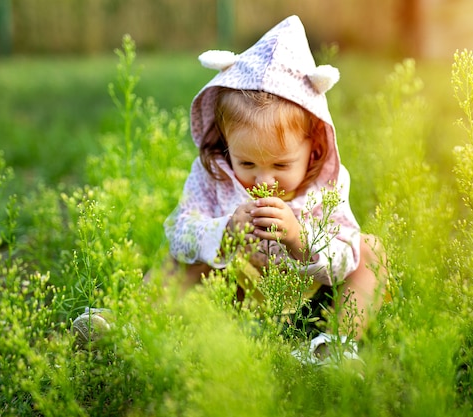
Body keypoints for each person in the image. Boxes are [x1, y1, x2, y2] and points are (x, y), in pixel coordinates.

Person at [163, 15, 387, 359]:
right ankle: (136, 322)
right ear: (225, 146)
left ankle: (335, 346)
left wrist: (300, 238)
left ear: (314, 150)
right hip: (233, 292)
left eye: (281, 165)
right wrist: (224, 231)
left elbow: (343, 257)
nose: (263, 181)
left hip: (308, 296)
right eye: (247, 164)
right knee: (176, 259)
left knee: (369, 253)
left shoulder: (326, 185)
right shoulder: (214, 174)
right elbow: (179, 232)